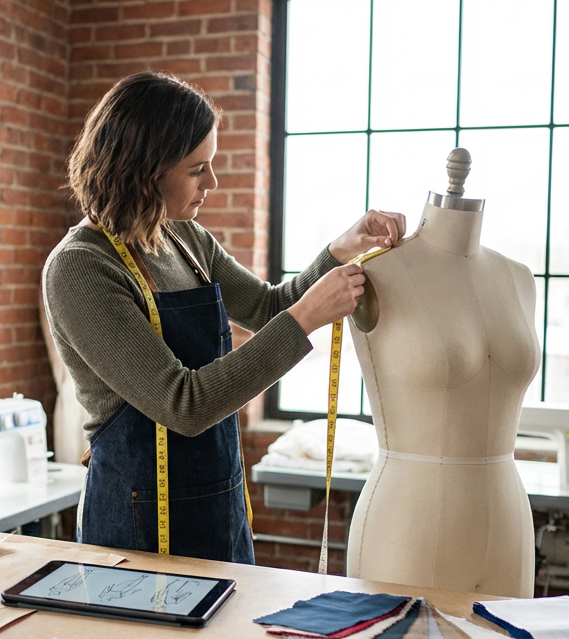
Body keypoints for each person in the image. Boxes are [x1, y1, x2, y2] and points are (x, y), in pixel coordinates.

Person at [42, 71, 404, 564]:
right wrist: (306, 319)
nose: (212, 182)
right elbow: (183, 404)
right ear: (144, 169)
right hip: (136, 522)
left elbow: (269, 307)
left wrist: (342, 248)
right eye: (197, 169)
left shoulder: (185, 239)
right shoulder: (81, 267)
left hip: (219, 500)